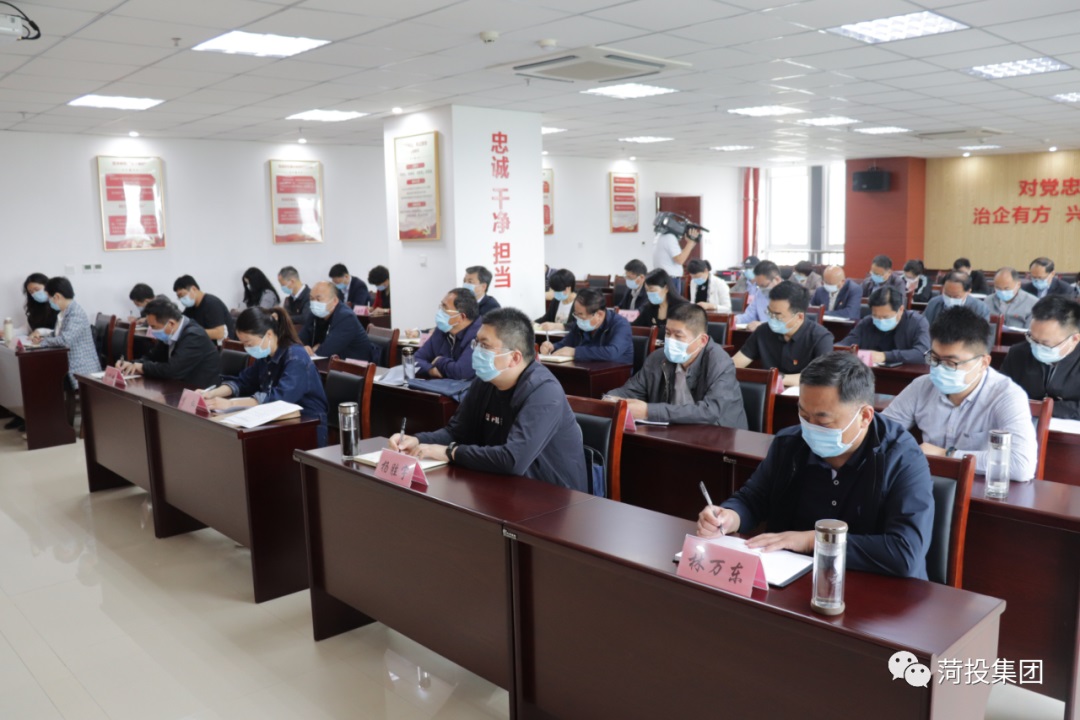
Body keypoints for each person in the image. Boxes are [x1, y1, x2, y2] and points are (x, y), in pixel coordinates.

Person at [696, 352, 934, 579]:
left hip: (876, 591)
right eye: (804, 416)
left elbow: (905, 552)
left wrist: (812, 540)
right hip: (793, 577)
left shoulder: (902, 458)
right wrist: (730, 516)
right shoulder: (790, 444)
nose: (809, 428)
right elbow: (753, 499)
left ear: (864, 417)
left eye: (823, 421)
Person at [389, 308, 587, 491]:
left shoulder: (543, 392)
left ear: (515, 358)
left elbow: (512, 460)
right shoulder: (485, 382)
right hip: (502, 485)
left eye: (484, 345)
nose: (476, 351)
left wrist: (451, 452)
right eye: (476, 343)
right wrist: (418, 440)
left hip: (551, 497)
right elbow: (456, 432)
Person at [882, 307, 1036, 481]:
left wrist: (947, 454)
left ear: (983, 363)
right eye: (935, 359)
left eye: (951, 363)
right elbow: (880, 434)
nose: (940, 368)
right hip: (924, 481)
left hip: (978, 487)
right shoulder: (922, 386)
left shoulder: (1007, 396)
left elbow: (1022, 465)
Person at [201, 307, 329, 447]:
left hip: (307, 426)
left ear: (268, 334)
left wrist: (231, 404)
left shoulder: (296, 357)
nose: (247, 349)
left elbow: (279, 399)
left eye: (249, 344)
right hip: (278, 423)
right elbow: (243, 381)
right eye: (243, 344)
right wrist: (211, 394)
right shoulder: (266, 356)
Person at [607, 303, 746, 427]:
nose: (670, 340)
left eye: (678, 336)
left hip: (720, 434)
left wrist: (649, 411)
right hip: (674, 431)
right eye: (667, 333)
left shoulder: (720, 363)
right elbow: (631, 390)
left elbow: (710, 411)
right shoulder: (658, 357)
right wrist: (610, 400)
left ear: (702, 340)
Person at [733, 281, 833, 387]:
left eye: (777, 315)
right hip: (766, 393)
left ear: (799, 317)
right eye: (769, 313)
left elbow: (821, 377)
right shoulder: (763, 331)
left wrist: (777, 379)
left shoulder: (821, 338)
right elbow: (736, 363)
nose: (772, 318)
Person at [30, 277, 101, 424]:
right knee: (40, 378)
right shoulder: (64, 312)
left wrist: (43, 343)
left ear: (57, 296)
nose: (49, 302)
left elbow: (65, 340)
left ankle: (56, 424)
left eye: (49, 298)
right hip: (68, 363)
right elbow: (59, 335)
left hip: (80, 368)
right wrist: (44, 337)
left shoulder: (76, 314)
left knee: (46, 381)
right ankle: (48, 423)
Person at [1001, 296, 1080, 419]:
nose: (1037, 347)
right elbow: (1002, 394)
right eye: (1032, 339)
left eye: (1045, 343)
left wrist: (1042, 408)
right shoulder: (1018, 353)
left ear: (1075, 339)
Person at [117, 299, 221, 388]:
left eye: (153, 327)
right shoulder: (170, 333)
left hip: (200, 391)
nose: (151, 330)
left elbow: (173, 370)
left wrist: (142, 367)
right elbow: (152, 357)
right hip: (177, 386)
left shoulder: (194, 336)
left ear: (171, 324)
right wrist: (131, 364)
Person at [540, 288, 633, 364]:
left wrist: (575, 352)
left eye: (581, 314)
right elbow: (566, 343)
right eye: (576, 314)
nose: (577, 318)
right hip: (587, 370)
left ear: (599, 314)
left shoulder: (621, 325)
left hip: (615, 374)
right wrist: (552, 346)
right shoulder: (580, 323)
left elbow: (612, 352)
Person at [840, 287, 930, 366]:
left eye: (886, 317)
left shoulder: (917, 323)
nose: (880, 320)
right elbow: (843, 346)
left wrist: (884, 356)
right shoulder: (867, 322)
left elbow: (923, 353)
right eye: (875, 316)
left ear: (901, 310)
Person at [298, 281, 374, 362]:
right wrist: (302, 348)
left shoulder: (346, 318)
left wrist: (313, 350)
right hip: (329, 364)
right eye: (311, 299)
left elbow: (325, 351)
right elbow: (298, 341)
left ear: (334, 301)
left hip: (353, 366)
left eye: (318, 299)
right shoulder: (314, 314)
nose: (314, 303)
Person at [416, 288, 482, 379]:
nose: (440, 311)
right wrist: (430, 370)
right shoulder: (442, 330)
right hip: (440, 386)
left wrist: (439, 361)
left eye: (444, 308)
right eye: (441, 306)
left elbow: (461, 372)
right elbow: (415, 359)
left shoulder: (480, 334)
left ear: (461, 317)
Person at [173, 275, 235, 341]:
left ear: (194, 289)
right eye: (179, 297)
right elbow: (180, 322)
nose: (181, 299)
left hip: (223, 345)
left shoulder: (212, 303)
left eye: (182, 295)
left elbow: (220, 333)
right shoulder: (190, 307)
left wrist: (193, 332)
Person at [651, 213, 699, 294]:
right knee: (673, 302)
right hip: (670, 280)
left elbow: (680, 255)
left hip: (662, 278)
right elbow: (680, 260)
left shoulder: (659, 236)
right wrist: (690, 243)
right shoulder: (669, 237)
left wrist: (691, 243)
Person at [632, 268, 687, 337]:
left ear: (666, 288)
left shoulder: (682, 308)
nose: (649, 293)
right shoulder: (648, 308)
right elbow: (635, 327)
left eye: (652, 289)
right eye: (647, 290)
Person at [922, 271, 990, 326]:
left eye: (956, 297)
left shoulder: (980, 308)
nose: (950, 299)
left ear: (968, 292)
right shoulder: (934, 303)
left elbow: (981, 337)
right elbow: (924, 330)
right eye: (947, 294)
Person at [735, 260, 782, 329]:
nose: (761, 289)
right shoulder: (760, 293)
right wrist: (735, 319)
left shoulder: (791, 294)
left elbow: (786, 322)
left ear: (777, 280)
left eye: (764, 285)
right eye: (759, 286)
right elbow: (750, 316)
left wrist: (763, 325)